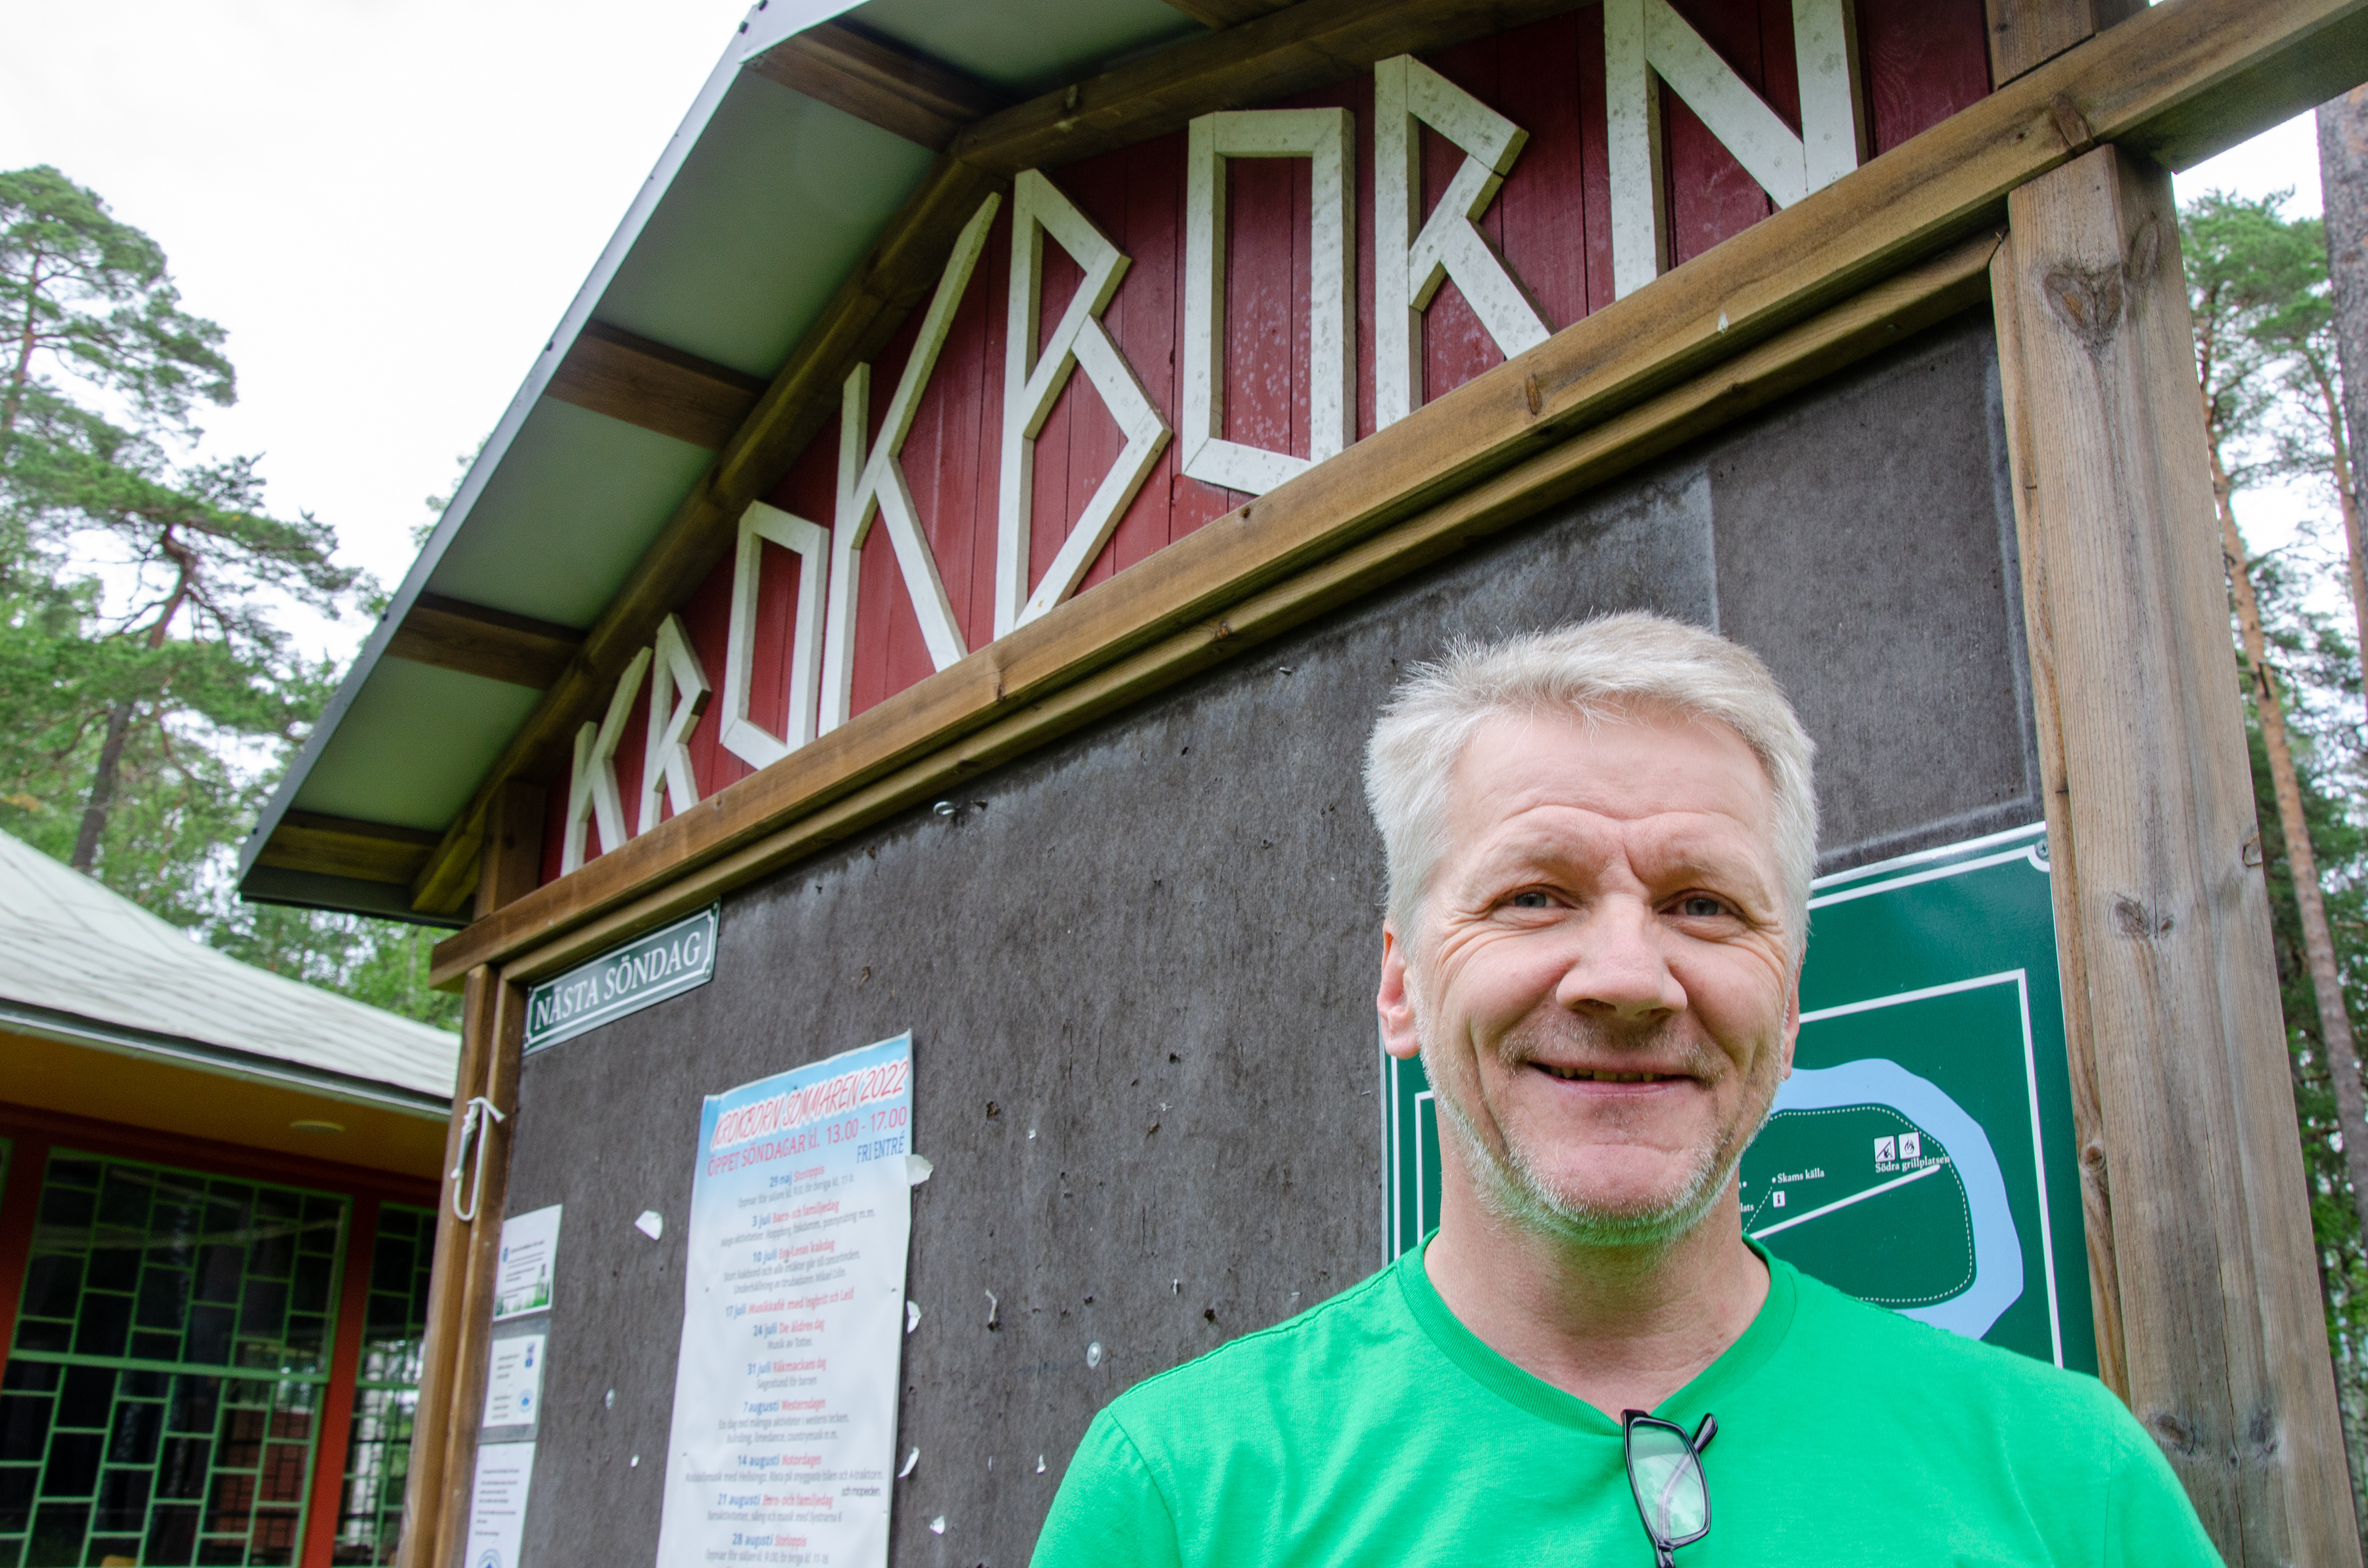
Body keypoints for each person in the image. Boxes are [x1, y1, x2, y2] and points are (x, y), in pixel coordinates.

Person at [1028, 614, 2220, 1566]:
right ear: (1400, 986)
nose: (1626, 979)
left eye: (1703, 904)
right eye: (1533, 895)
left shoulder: (2071, 1481)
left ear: (1789, 999)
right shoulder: (1180, 1496)